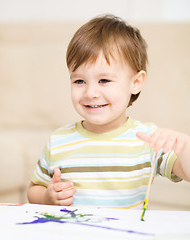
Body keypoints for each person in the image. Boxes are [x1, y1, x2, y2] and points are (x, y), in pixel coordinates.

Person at [27, 14, 190, 208]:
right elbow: (33, 189)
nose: (91, 92)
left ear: (135, 83)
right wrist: (47, 197)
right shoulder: (58, 141)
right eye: (79, 81)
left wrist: (185, 147)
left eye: (104, 80)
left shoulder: (148, 140)